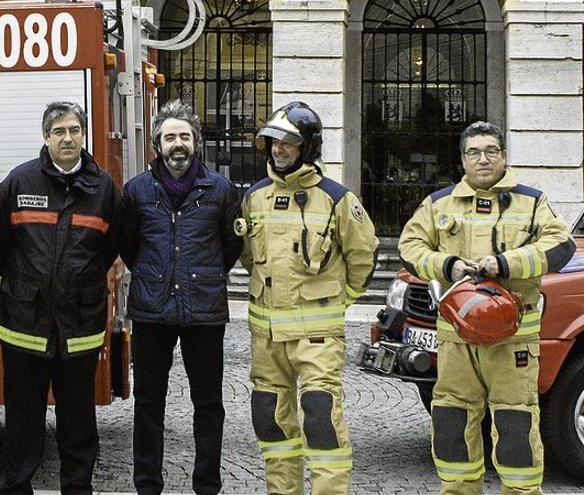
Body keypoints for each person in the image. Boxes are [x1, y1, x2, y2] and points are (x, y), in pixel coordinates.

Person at [398, 121, 576, 495]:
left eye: (491, 151)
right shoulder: (438, 204)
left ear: (504, 156)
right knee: (452, 423)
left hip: (513, 342)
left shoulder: (532, 202)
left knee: (515, 426)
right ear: (463, 158)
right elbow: (410, 248)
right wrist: (448, 266)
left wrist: (506, 263)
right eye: (474, 152)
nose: (483, 159)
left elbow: (561, 247)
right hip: (456, 340)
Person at [236, 101, 378, 495]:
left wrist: (337, 301)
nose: (278, 149)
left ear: (308, 146)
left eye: (288, 142)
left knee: (320, 417)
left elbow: (364, 258)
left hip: (317, 335)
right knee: (270, 419)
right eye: (273, 142)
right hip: (267, 338)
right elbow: (250, 257)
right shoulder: (255, 197)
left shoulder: (336, 198)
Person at [0, 101, 121, 495]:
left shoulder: (103, 189)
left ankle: (78, 489)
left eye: (75, 130)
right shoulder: (19, 183)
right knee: (23, 419)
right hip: (23, 327)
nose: (68, 138)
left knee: (78, 421)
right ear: (45, 137)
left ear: (84, 135)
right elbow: (1, 248)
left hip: (78, 328)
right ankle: (17, 488)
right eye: (59, 131)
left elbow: (111, 247)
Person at [119, 99, 242, 495]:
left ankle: (207, 484)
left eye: (184, 136)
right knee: (148, 403)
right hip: (151, 311)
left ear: (196, 143)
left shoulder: (220, 190)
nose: (178, 144)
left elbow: (230, 246)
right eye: (170, 136)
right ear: (157, 143)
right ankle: (147, 485)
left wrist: (203, 276)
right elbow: (128, 245)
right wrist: (157, 276)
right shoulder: (136, 191)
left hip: (203, 311)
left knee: (208, 405)